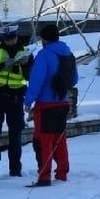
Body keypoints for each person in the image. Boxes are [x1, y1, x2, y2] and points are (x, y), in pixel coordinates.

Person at [23, 23, 79, 186]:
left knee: (43, 141)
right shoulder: (68, 53)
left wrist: (28, 100)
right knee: (60, 139)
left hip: (45, 105)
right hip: (63, 103)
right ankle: (62, 174)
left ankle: (44, 177)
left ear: (43, 38)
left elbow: (36, 80)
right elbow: (74, 79)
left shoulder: (44, 55)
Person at [0, 24, 31, 178]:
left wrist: (26, 66)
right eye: (6, 39)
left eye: (12, 38)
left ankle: (15, 169)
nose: (9, 41)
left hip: (15, 98)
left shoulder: (25, 52)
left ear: (17, 36)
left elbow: (29, 77)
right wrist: (5, 65)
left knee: (15, 135)